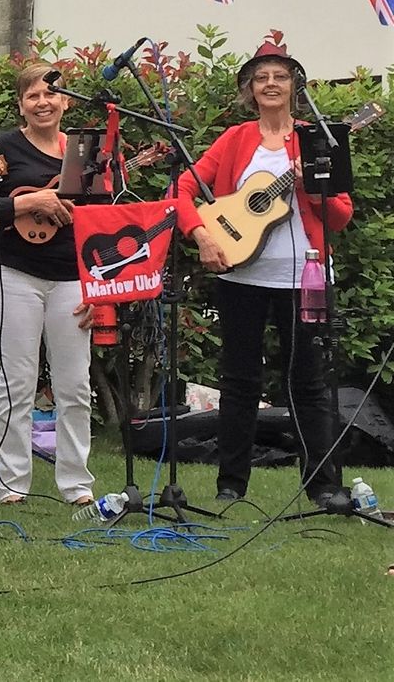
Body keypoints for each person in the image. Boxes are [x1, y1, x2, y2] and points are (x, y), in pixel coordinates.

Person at [172, 38, 351, 508]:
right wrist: (201, 234)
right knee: (239, 382)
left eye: (280, 76)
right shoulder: (235, 139)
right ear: (250, 89)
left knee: (309, 384)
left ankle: (325, 486)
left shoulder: (320, 139)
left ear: (295, 85)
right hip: (241, 277)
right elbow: (181, 188)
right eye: (261, 77)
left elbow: (340, 217)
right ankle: (231, 485)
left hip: (304, 278)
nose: (271, 84)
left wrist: (312, 186)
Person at [0, 61, 95, 506]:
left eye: (51, 94)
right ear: (21, 105)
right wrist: (29, 201)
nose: (43, 102)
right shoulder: (3, 148)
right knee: (17, 381)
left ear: (66, 102)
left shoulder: (85, 152)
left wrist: (98, 289)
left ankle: (76, 484)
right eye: (33, 95)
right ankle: (10, 484)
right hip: (15, 273)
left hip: (73, 278)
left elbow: (106, 219)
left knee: (75, 385)